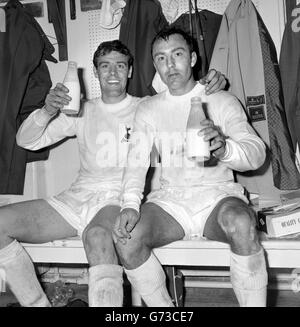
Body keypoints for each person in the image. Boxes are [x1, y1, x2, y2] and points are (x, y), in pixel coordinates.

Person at [0, 39, 226, 307]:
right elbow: (26, 141)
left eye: (120, 66)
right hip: (78, 197)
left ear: (130, 71)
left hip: (120, 199)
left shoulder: (148, 107)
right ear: (95, 72)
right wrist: (48, 110)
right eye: (105, 66)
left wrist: (213, 85)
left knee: (97, 236)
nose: (112, 73)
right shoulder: (82, 109)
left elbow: (190, 99)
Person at [113, 27, 268, 307]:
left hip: (218, 196)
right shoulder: (149, 108)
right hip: (172, 202)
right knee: (127, 238)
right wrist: (129, 204)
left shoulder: (221, 99)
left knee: (242, 224)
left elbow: (257, 154)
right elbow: (136, 161)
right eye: (161, 58)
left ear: (194, 58)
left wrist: (225, 148)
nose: (169, 64)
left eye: (177, 54)